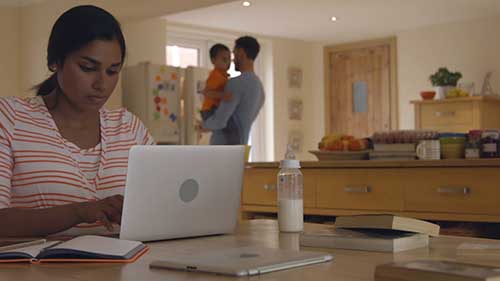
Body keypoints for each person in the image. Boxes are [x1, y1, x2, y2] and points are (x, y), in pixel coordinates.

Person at [0, 5, 154, 237]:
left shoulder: (129, 127)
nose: (102, 84)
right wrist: (80, 212)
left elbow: (161, 206)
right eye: (88, 68)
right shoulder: (10, 118)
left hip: (125, 269)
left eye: (113, 71)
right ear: (55, 62)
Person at [202, 36, 265, 145]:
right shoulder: (259, 88)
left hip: (223, 149)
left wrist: (202, 125)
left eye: (234, 54)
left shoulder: (235, 83)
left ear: (241, 53)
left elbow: (220, 121)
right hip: (241, 148)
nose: (232, 59)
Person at [200, 43, 232, 121]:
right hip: (210, 110)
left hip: (213, 109)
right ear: (213, 60)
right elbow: (207, 92)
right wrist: (222, 95)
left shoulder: (223, 75)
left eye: (229, 59)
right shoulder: (216, 75)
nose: (228, 62)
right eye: (224, 59)